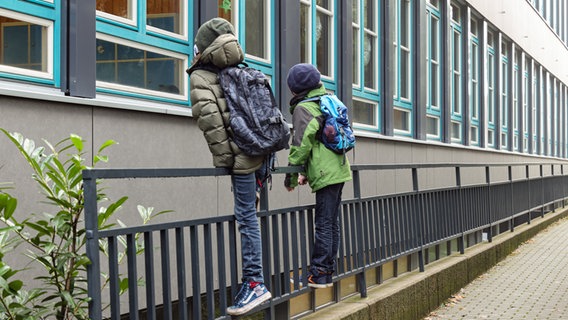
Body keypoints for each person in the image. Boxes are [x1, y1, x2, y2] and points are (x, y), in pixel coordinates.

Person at [186, 17, 271, 316]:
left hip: (242, 159)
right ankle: (254, 282)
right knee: (253, 214)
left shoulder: (201, 76)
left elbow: (211, 123)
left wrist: (227, 163)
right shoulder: (243, 67)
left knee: (246, 217)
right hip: (262, 153)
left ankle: (255, 283)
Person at [284, 63, 352, 288]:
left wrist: (291, 176)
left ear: (296, 89)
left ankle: (319, 274)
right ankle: (327, 270)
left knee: (324, 223)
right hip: (339, 169)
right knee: (331, 222)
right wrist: (305, 172)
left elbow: (301, 145)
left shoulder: (305, 108)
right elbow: (317, 144)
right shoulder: (326, 100)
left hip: (326, 173)